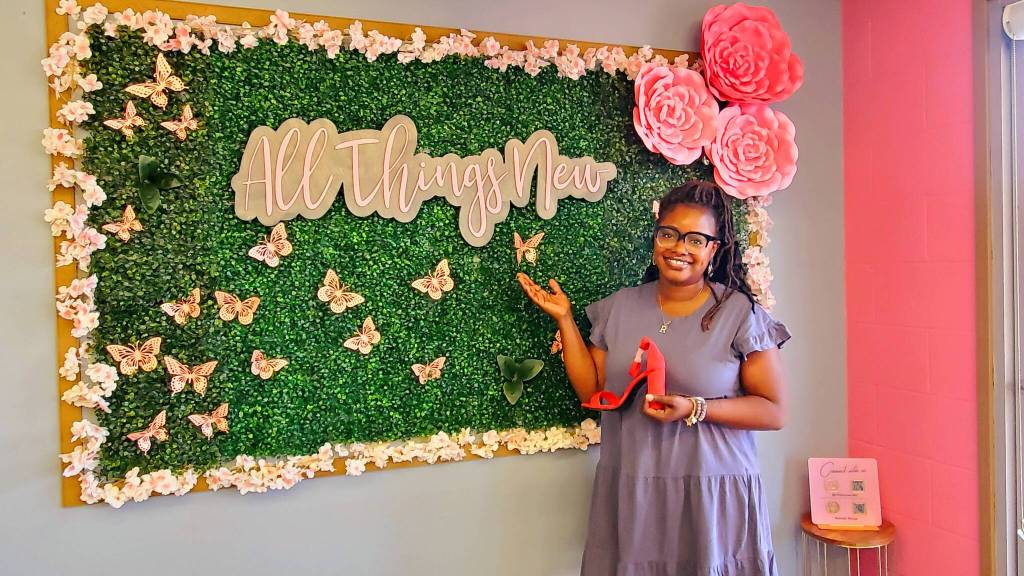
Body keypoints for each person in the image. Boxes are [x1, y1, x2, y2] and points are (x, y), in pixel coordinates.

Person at [517, 180, 790, 576]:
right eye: (669, 234)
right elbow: (593, 391)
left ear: (714, 248)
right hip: (635, 488)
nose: (679, 248)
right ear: (656, 236)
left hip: (711, 493)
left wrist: (694, 408)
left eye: (696, 240)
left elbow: (774, 411)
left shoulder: (739, 314)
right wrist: (565, 320)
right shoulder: (620, 307)